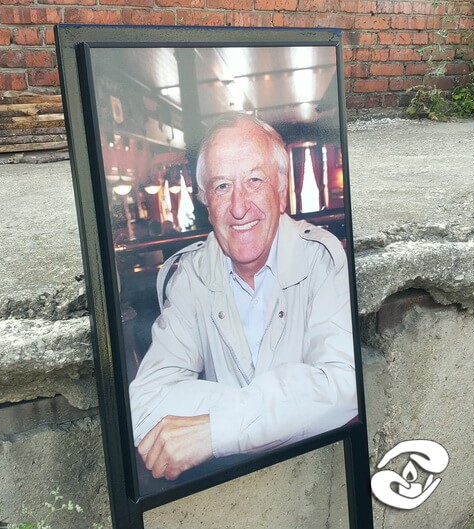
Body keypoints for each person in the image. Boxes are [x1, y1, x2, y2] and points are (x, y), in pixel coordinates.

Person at [129, 113, 357, 481]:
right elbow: (144, 404)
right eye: (222, 186)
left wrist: (215, 431)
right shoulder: (190, 275)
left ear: (280, 190)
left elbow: (345, 386)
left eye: (254, 180)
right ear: (205, 201)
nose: (239, 207)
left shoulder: (322, 258)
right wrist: (280, 416)